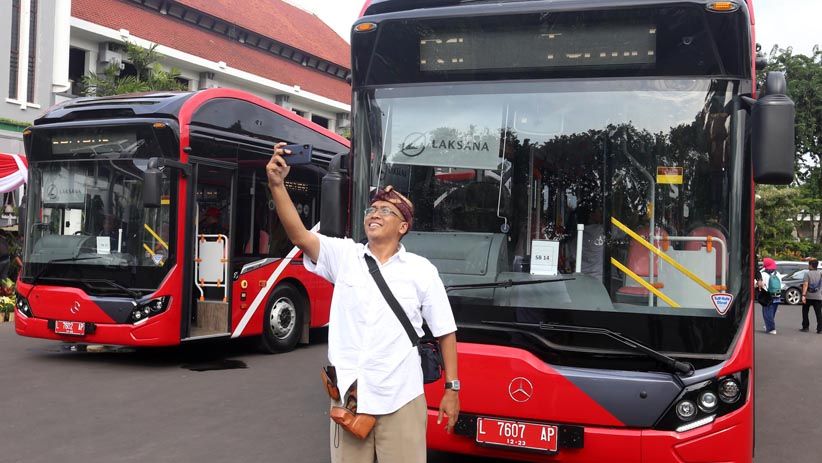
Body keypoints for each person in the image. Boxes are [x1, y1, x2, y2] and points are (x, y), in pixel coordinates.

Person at [266, 142, 459, 463]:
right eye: (372, 210)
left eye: (385, 211)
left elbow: (445, 332)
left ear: (403, 227)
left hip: (401, 398)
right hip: (350, 398)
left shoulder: (422, 270)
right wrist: (277, 185)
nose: (375, 214)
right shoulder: (345, 256)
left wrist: (452, 389)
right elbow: (299, 236)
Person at [758, 257, 781, 334]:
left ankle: (771, 329)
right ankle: (768, 325)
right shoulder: (777, 273)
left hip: (767, 295)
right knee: (772, 312)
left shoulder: (762, 274)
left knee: (767, 312)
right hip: (777, 295)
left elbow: (759, 284)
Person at [800, 258, 822, 333]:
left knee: (805, 311)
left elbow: (805, 285)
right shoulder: (820, 273)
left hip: (808, 296)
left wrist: (803, 295)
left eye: (809, 265)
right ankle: (820, 329)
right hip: (818, 296)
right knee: (818, 313)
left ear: (811, 265)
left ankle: (805, 327)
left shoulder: (807, 274)